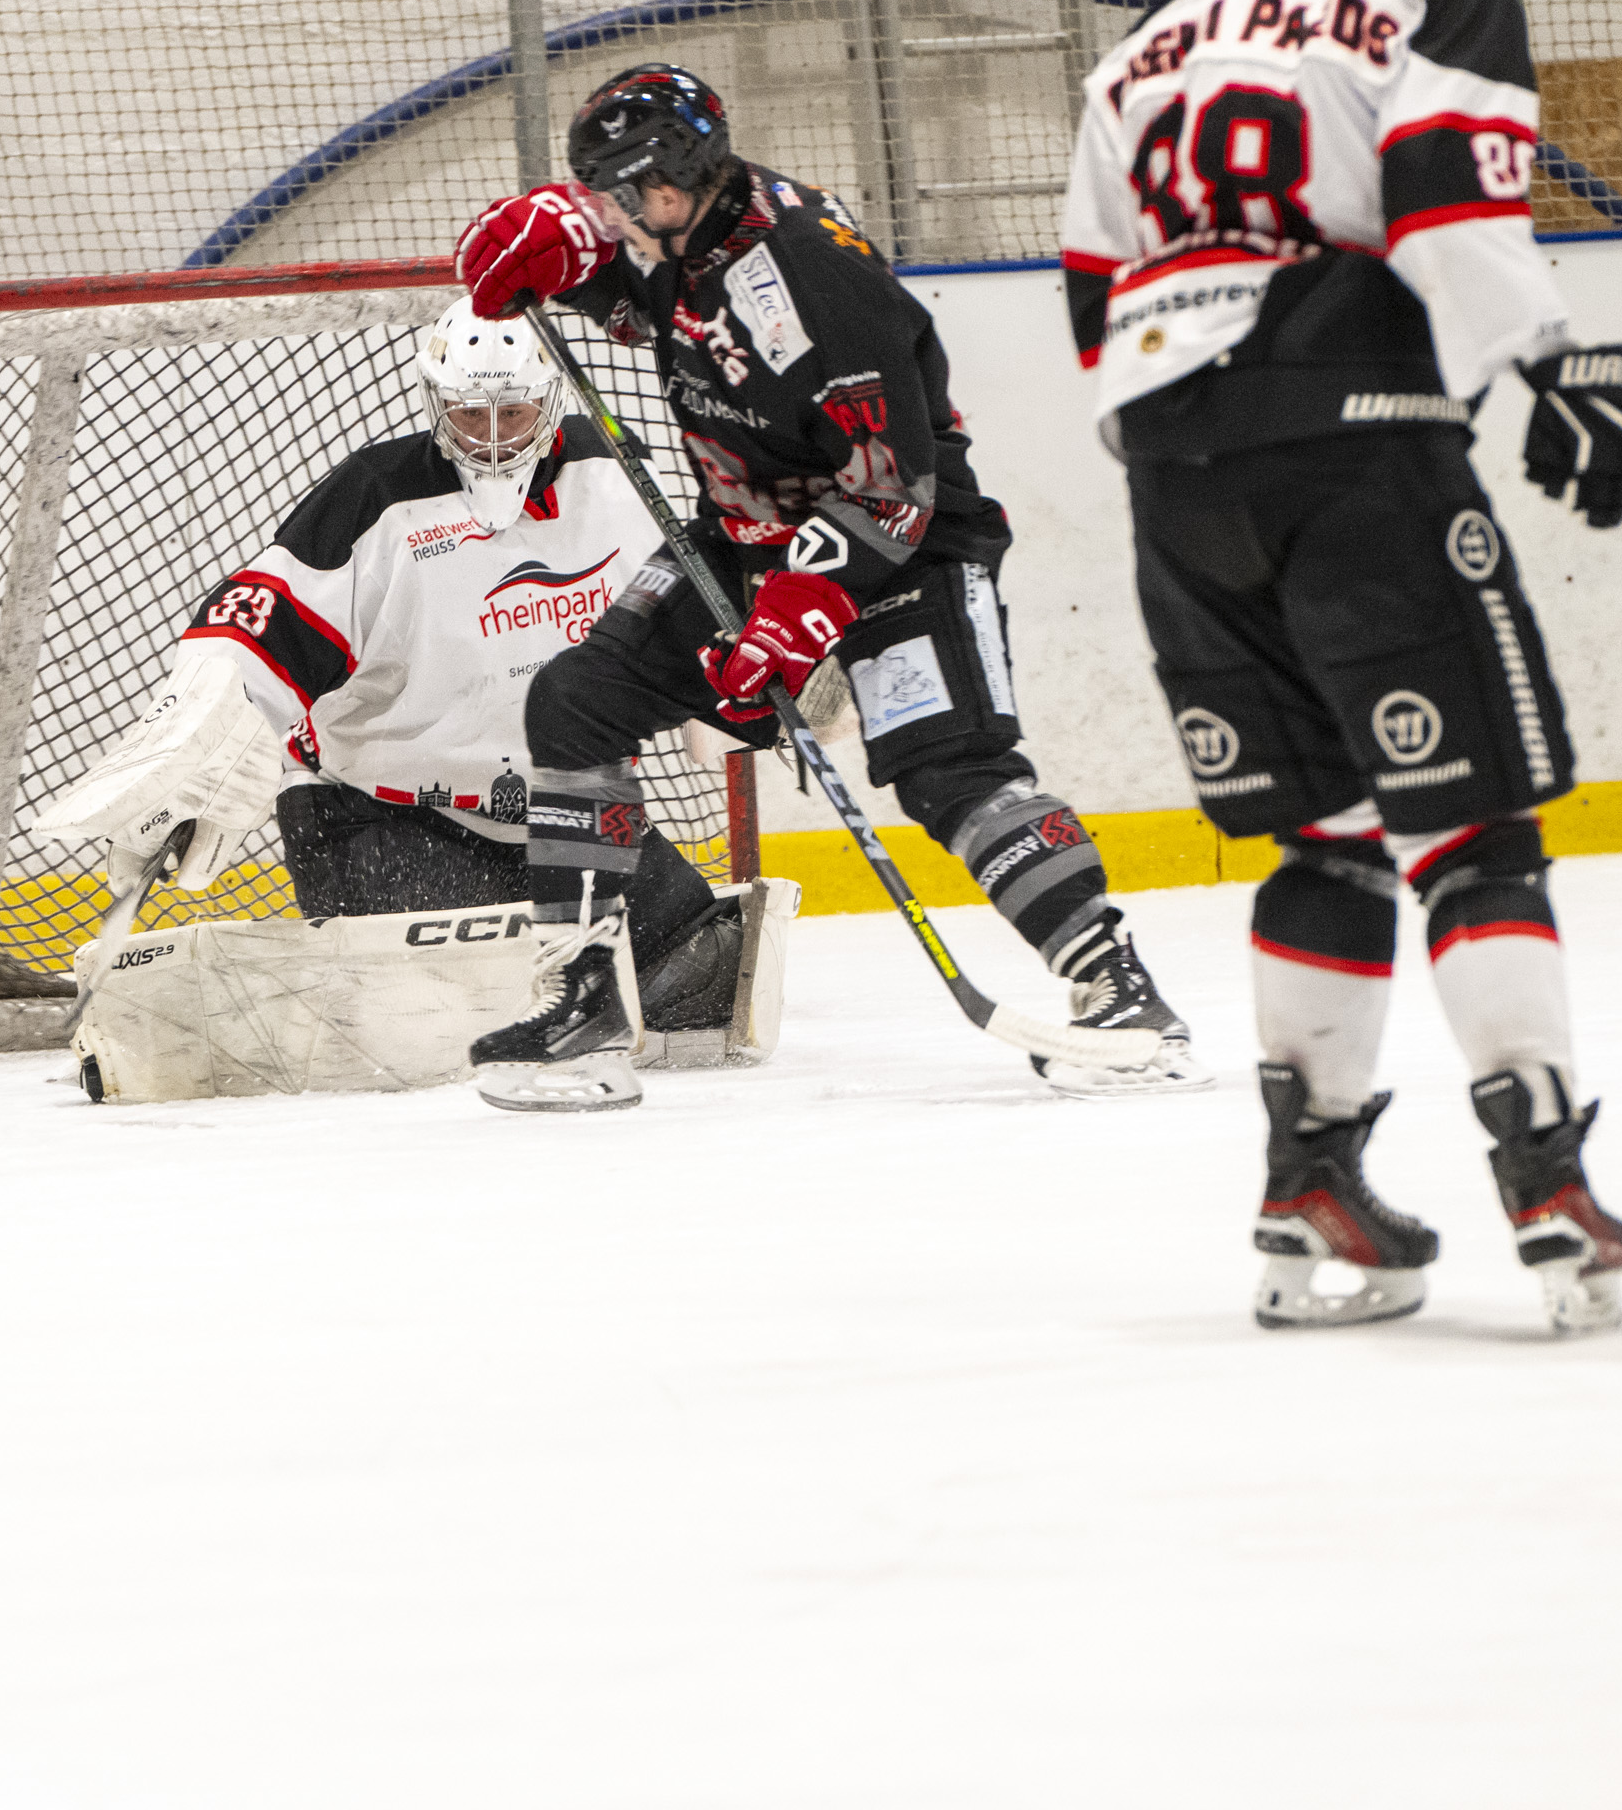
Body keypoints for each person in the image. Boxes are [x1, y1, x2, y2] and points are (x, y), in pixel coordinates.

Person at [1056, 0, 1622, 1333]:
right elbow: (1448, 210)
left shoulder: (1140, 42)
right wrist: (1548, 365)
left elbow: (1086, 284)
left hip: (1177, 475)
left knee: (1324, 842)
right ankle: (1547, 1181)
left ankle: (1307, 1184)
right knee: (1468, 827)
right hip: (1362, 447)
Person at [451, 62, 1208, 1113]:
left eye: (634, 193)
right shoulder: (686, 235)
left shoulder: (808, 270)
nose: (621, 212)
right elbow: (653, 312)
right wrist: (558, 263)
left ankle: (1116, 983)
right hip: (748, 531)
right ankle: (584, 1002)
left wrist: (794, 618)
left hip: (908, 543)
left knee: (951, 770)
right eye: (606, 195)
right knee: (576, 700)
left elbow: (889, 484)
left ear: (689, 174)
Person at [32, 294, 747, 1042]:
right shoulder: (375, 499)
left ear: (550, 399)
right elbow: (248, 640)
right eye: (472, 415)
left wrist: (743, 669)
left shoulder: (612, 475)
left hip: (565, 809)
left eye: (516, 414)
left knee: (700, 978)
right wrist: (193, 762)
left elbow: (691, 605)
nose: (496, 439)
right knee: (440, 1026)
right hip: (386, 818)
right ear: (437, 406)